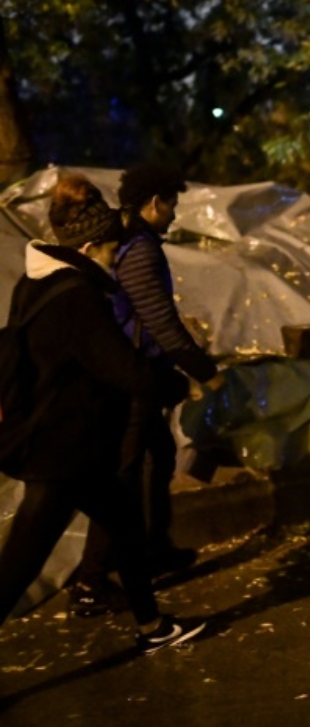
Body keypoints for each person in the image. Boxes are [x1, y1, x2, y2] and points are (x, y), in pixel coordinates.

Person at [0, 174, 205, 654]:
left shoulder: (33, 286)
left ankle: (153, 627)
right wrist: (177, 382)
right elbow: (122, 367)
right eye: (112, 249)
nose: (116, 259)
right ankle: (151, 625)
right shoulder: (78, 296)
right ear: (90, 245)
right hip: (59, 453)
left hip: (73, 444)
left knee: (128, 525)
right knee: (17, 566)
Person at [71, 162, 223, 616]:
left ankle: (154, 547)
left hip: (140, 372)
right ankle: (90, 580)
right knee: (126, 473)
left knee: (158, 458)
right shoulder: (138, 249)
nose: (174, 216)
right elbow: (159, 319)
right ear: (155, 203)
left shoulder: (129, 240)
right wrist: (204, 370)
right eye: (172, 206)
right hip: (132, 376)